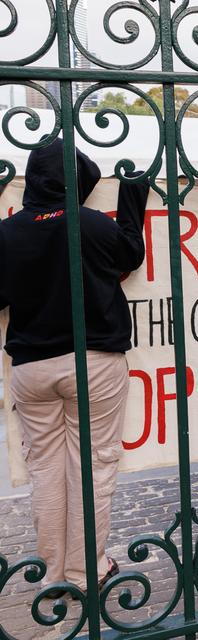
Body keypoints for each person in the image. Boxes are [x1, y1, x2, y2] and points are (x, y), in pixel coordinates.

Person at [0, 139, 148, 599]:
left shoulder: (7, 233)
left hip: (31, 367)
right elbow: (130, 255)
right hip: (94, 361)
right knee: (93, 466)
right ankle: (89, 572)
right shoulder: (90, 224)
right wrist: (132, 192)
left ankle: (54, 574)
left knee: (45, 468)